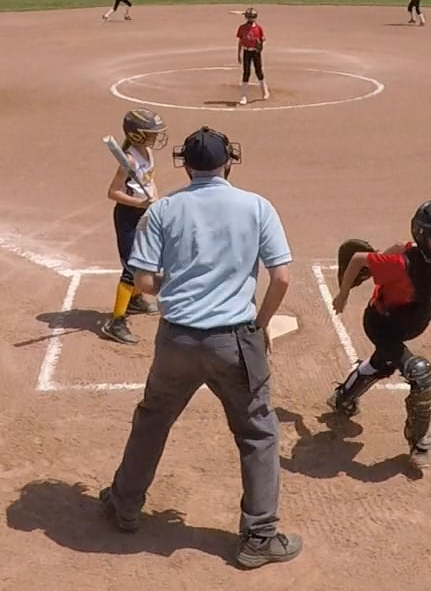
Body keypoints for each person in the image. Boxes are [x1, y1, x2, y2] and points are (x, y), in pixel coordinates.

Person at [99, 126, 301, 570]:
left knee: (152, 421)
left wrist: (181, 285)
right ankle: (259, 537)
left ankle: (125, 506)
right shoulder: (257, 206)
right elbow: (281, 278)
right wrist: (259, 327)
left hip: (176, 340)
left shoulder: (163, 210)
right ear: (228, 162)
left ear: (186, 165)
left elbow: (144, 282)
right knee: (258, 434)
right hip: (235, 341)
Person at [327, 201, 431, 472]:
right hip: (382, 325)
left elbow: (402, 245)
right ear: (422, 237)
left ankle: (342, 398)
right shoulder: (400, 265)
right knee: (422, 378)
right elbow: (358, 259)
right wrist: (343, 293)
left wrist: (386, 253)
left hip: (408, 325)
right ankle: (419, 443)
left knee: (383, 363)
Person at [99, 108, 167, 345]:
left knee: (145, 259)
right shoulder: (128, 160)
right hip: (128, 216)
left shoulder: (147, 152)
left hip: (143, 212)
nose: (156, 137)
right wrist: (140, 203)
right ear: (138, 135)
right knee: (131, 268)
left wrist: (154, 199)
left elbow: (150, 179)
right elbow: (113, 192)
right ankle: (115, 322)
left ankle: (135, 300)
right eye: (152, 133)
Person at [236, 7, 268, 105]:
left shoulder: (258, 28)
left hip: (255, 52)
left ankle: (264, 91)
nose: (250, 19)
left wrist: (261, 47)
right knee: (246, 72)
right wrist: (239, 54)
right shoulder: (242, 28)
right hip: (246, 52)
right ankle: (243, 96)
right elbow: (240, 41)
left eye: (252, 17)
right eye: (249, 17)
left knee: (259, 71)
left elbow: (263, 40)